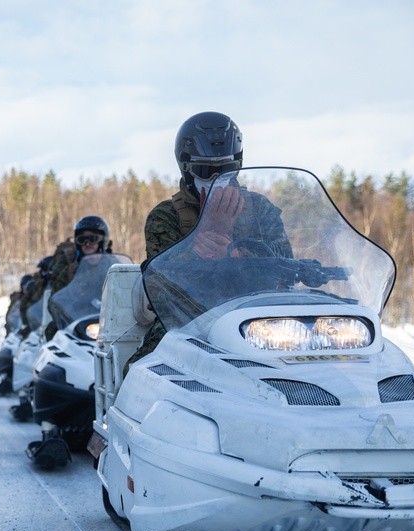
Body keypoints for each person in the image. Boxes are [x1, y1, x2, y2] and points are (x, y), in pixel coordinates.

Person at [125, 112, 292, 368]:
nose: (216, 179)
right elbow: (159, 285)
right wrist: (197, 244)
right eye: (205, 170)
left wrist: (235, 255)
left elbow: (286, 265)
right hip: (186, 319)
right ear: (186, 168)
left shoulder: (260, 209)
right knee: (140, 371)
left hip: (257, 317)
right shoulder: (165, 216)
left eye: (225, 170)